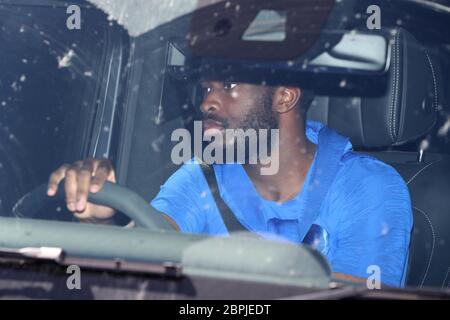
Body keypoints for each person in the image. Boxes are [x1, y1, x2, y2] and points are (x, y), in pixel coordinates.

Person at [47, 81, 412, 287]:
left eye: (230, 85)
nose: (207, 100)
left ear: (285, 95)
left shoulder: (368, 187)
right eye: (206, 86)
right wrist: (98, 221)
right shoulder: (202, 177)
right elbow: (145, 251)